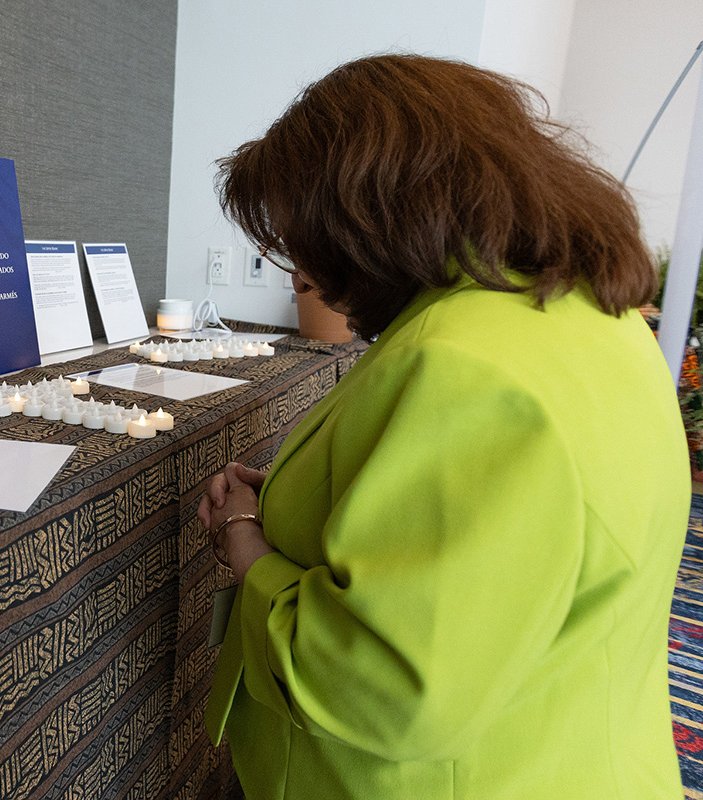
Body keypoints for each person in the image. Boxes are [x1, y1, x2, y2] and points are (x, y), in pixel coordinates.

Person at [197, 54, 689, 799]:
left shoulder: (468, 368)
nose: (302, 278)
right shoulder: (594, 317)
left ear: (375, 214)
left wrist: (246, 542)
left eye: (309, 243)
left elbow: (379, 685)